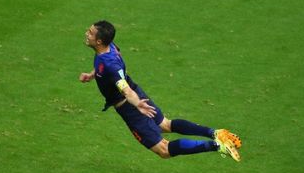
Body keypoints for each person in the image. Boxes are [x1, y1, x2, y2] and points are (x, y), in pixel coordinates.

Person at [79, 20, 242, 161]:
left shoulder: (109, 64)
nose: (87, 34)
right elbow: (109, 68)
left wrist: (137, 105)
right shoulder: (110, 48)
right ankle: (216, 133)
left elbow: (125, 89)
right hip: (137, 93)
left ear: (99, 41)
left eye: (91, 33)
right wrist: (93, 75)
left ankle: (218, 146)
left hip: (131, 105)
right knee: (165, 124)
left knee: (163, 150)